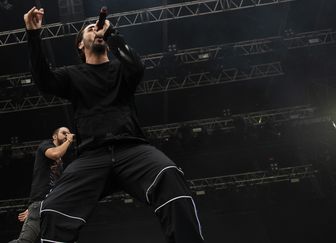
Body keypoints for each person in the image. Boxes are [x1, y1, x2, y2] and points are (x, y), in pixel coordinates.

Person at [24, 6, 205, 243]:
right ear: (80, 44)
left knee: (169, 177)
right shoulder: (72, 75)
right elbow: (43, 80)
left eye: (99, 29)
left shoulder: (121, 69)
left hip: (131, 149)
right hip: (91, 156)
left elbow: (137, 68)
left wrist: (113, 34)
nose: (96, 31)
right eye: (90, 30)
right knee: (52, 208)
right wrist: (33, 35)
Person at [9, 127, 75, 243]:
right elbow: (55, 153)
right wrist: (69, 141)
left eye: (69, 133)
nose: (67, 135)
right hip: (40, 205)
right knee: (25, 241)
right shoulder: (46, 145)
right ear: (54, 136)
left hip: (52, 205)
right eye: (64, 133)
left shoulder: (61, 162)